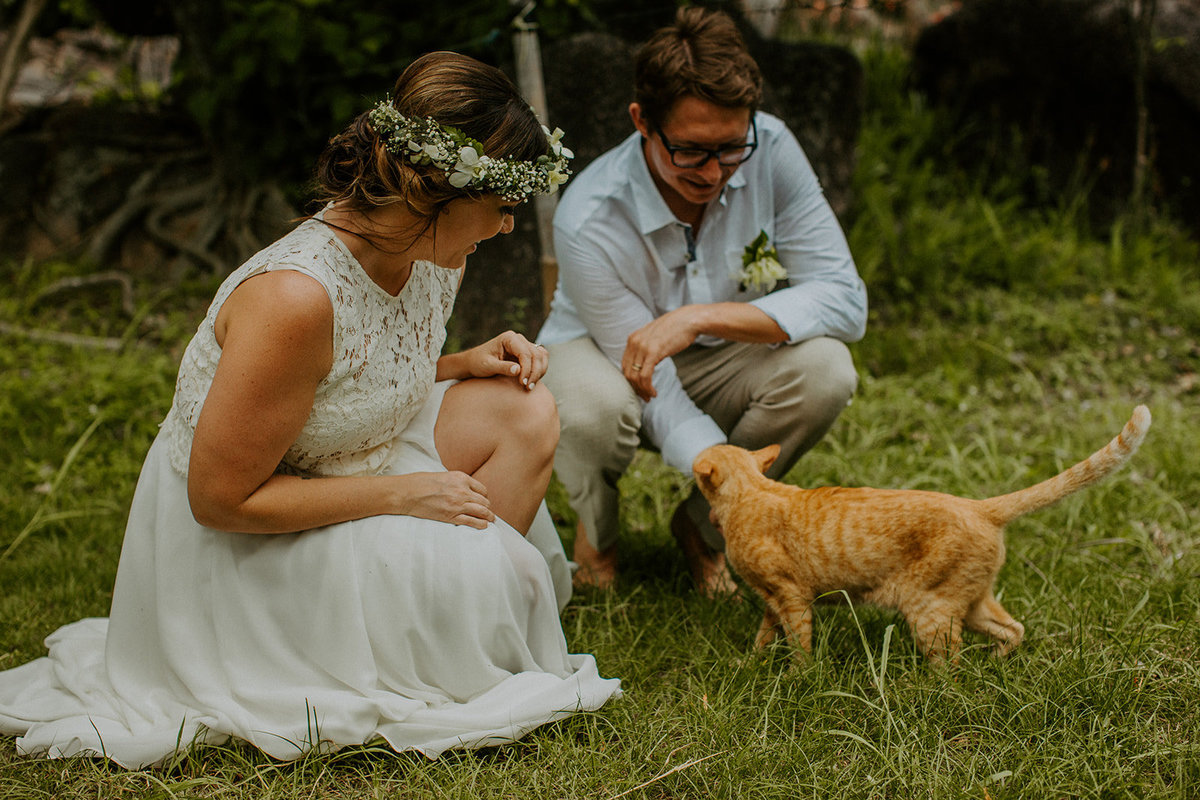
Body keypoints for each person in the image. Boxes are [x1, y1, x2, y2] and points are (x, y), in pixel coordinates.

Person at [0, 51, 620, 768]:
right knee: (498, 572)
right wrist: (406, 498)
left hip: (354, 454)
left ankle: (444, 609)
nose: (510, 226)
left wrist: (456, 363)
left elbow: (352, 375)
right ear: (438, 189)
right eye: (504, 204)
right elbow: (220, 500)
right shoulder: (295, 299)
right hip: (247, 536)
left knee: (526, 409)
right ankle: (455, 605)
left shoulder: (430, 243)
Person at [537, 8, 868, 592]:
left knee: (826, 371)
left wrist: (698, 318)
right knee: (591, 411)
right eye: (691, 151)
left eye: (731, 148)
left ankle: (703, 528)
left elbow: (845, 300)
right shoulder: (588, 215)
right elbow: (649, 376)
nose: (714, 172)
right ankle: (597, 538)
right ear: (642, 121)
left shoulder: (773, 147)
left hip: (720, 351)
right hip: (603, 353)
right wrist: (738, 478)